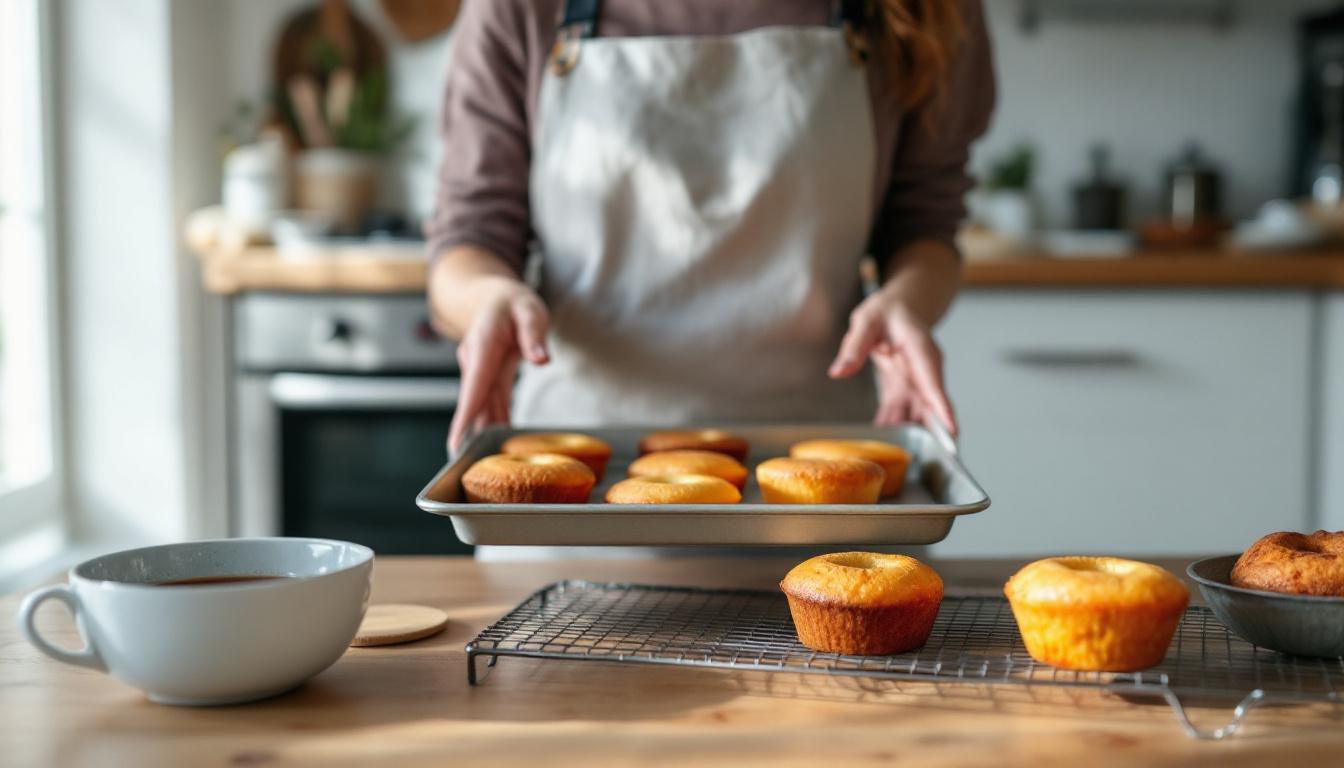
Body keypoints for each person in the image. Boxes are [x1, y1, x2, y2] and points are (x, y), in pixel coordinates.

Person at [428, 0, 994, 453]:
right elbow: (470, 237)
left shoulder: (925, 10)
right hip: (571, 477)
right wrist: (488, 298)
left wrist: (905, 302)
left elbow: (924, 223)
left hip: (824, 477)